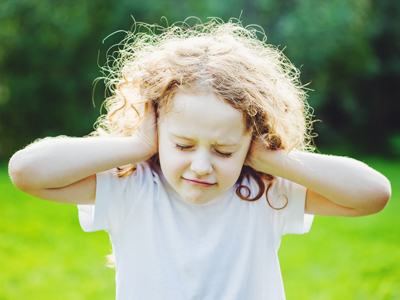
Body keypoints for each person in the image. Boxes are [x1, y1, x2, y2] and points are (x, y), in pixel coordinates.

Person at [8, 19, 391, 300]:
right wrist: (137, 146)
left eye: (224, 150)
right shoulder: (129, 185)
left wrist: (270, 159)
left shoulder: (263, 191)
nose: (202, 166)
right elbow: (27, 172)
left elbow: (373, 194)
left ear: (250, 143)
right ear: (157, 131)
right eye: (184, 145)